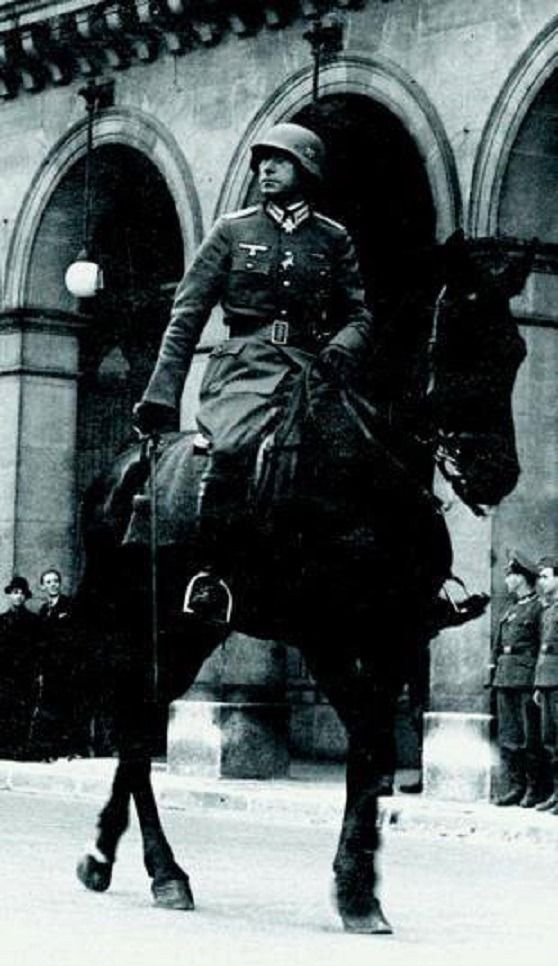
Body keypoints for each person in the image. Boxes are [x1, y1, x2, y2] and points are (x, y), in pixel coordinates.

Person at [132, 121, 374, 621]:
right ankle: (213, 575)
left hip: (312, 368)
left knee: (361, 447)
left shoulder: (333, 238)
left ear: (305, 169)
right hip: (244, 369)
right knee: (233, 447)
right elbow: (187, 316)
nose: (266, 168)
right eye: (263, 160)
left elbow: (359, 313)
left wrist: (342, 348)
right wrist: (161, 395)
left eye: (279, 161)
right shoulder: (232, 231)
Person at [487, 551, 546, 807]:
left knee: (529, 737)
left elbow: (544, 643)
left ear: (521, 578)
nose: (507, 580)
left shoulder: (538, 608)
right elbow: (498, 645)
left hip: (525, 676)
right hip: (505, 676)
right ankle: (515, 786)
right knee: (509, 735)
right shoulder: (510, 609)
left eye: (510, 575)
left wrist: (537, 680)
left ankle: (535, 788)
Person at [32, 568, 91, 760]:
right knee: (51, 709)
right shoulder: (43, 610)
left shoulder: (69, 606)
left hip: (68, 668)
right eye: (48, 582)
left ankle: (76, 749)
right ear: (43, 586)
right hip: (50, 670)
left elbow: (77, 637)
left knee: (71, 708)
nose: (52, 585)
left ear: (60, 583)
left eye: (55, 581)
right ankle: (53, 750)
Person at [0, 576, 42, 759]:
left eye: (21, 593)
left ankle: (19, 747)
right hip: (4, 675)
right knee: (4, 710)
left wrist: (36, 672)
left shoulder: (33, 621)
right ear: (9, 595)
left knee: (22, 711)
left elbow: (38, 649)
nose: (17, 597)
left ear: (26, 597)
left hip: (24, 675)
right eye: (14, 593)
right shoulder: (1, 620)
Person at [533, 558, 558, 814]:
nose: (541, 581)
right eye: (540, 577)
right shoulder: (548, 610)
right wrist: (539, 683)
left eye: (546, 576)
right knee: (549, 740)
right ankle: (555, 793)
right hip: (548, 680)